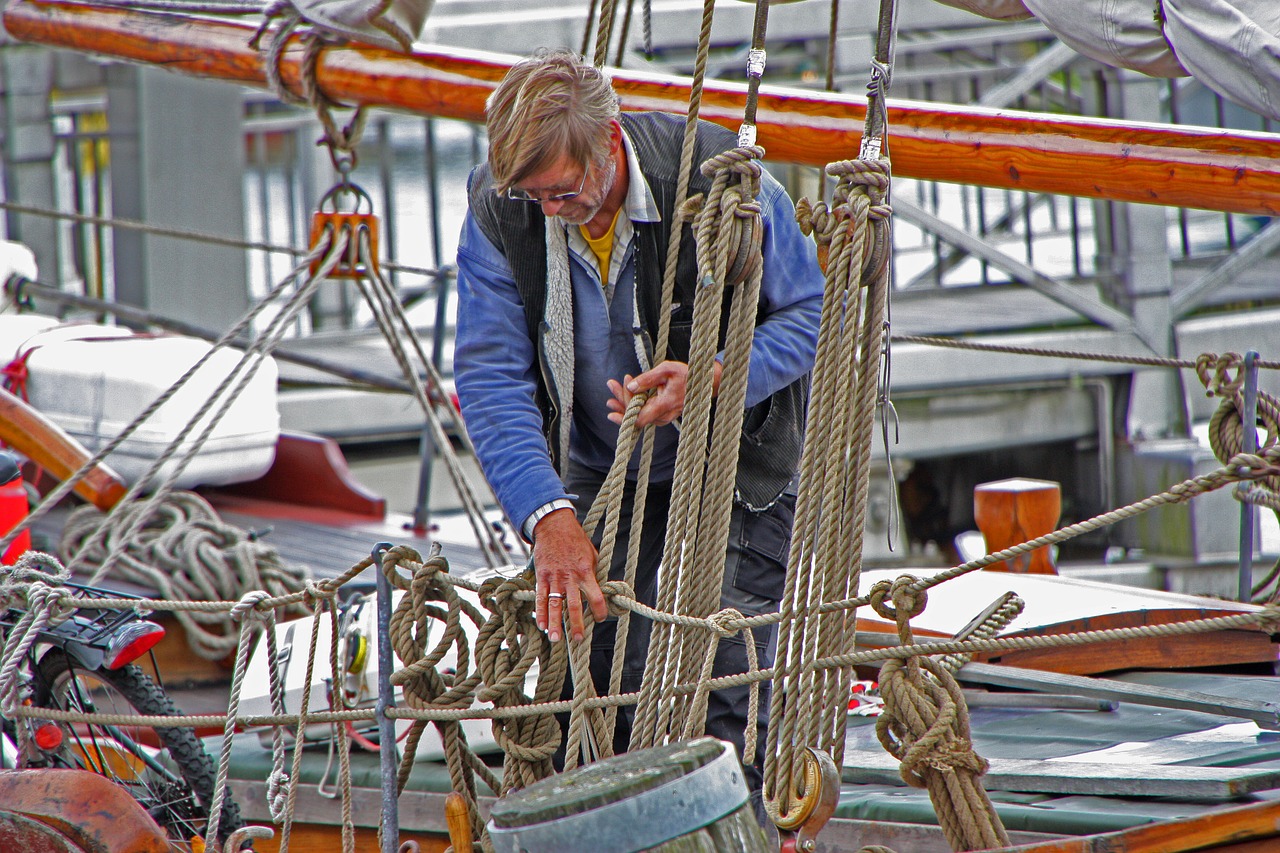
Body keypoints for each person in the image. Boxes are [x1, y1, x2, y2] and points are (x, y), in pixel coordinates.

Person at [452, 48, 824, 806]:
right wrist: (547, 514)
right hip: (599, 461)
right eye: (532, 197)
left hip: (737, 460)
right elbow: (491, 378)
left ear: (610, 140)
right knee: (605, 678)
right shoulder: (503, 209)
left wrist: (717, 378)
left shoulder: (722, 179)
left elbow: (812, 311)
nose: (548, 212)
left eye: (561, 192)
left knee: (728, 683)